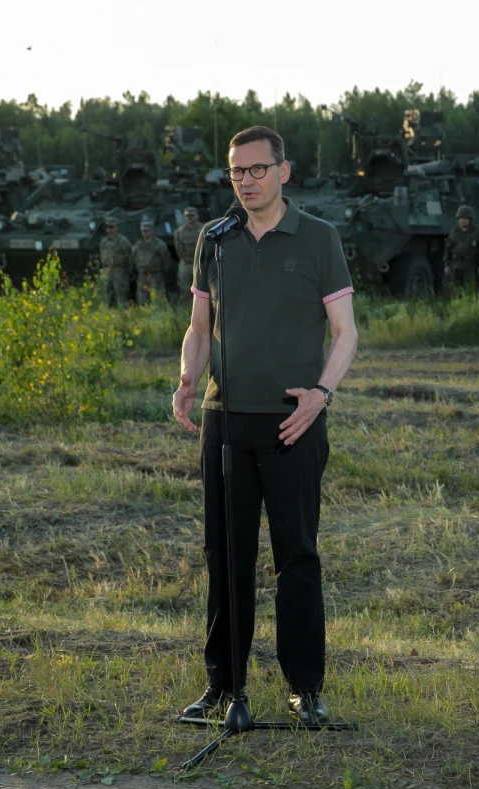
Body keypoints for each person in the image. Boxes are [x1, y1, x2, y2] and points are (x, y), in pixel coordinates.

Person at [173, 125, 358, 725]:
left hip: (292, 425)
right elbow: (200, 327)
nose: (246, 181)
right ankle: (224, 689)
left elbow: (346, 332)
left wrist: (321, 395)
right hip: (224, 421)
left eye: (257, 169)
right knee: (225, 556)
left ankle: (305, 689)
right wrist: (186, 381)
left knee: (296, 557)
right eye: (236, 172)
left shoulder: (319, 239)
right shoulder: (215, 241)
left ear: (284, 170)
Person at [443, 206, 479, 295]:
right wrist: (446, 264)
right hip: (456, 265)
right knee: (455, 291)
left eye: (465, 218)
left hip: (471, 265)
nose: (463, 220)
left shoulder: (477, 232)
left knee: (471, 290)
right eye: (461, 218)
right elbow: (448, 249)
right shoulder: (454, 232)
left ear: (470, 219)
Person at [133, 217, 171, 305]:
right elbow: (133, 257)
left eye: (147, 231)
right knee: (142, 298)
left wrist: (161, 270)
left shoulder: (159, 244)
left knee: (158, 298)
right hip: (142, 275)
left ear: (152, 230)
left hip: (155, 275)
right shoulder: (138, 244)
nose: (145, 233)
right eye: (143, 231)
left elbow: (166, 258)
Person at [98, 215, 134, 308]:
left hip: (119, 271)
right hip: (106, 271)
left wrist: (129, 270)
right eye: (107, 227)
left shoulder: (123, 241)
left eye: (111, 227)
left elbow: (130, 256)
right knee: (105, 296)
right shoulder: (104, 242)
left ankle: (123, 317)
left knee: (121, 297)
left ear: (117, 227)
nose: (109, 230)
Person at [174, 207, 202, 297]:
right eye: (187, 216)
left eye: (192, 215)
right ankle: (186, 310)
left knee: (203, 290)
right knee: (185, 290)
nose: (190, 217)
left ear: (197, 216)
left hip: (201, 264)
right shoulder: (179, 232)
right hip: (186, 264)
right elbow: (178, 249)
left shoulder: (204, 229)